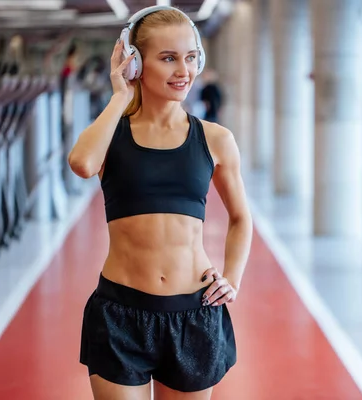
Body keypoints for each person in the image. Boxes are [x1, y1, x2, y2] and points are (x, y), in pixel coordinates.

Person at [67, 6, 253, 400]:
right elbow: (82, 164)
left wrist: (232, 279)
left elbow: (240, 218)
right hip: (120, 313)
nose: (182, 70)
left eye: (189, 57)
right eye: (168, 58)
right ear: (135, 63)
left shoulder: (216, 139)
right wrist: (121, 96)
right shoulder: (112, 134)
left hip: (194, 313)